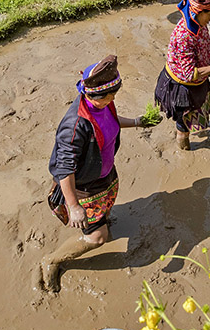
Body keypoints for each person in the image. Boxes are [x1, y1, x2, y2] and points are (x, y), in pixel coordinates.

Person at [39, 55, 143, 292]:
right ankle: (52, 260)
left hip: (104, 176)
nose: (112, 99)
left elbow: (111, 120)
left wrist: (137, 122)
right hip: (83, 188)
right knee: (97, 238)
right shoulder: (74, 125)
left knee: (105, 214)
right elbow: (64, 168)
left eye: (114, 94)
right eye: (108, 96)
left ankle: (100, 221)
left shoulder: (103, 104)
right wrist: (74, 206)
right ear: (92, 95)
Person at [154, 0, 210, 150]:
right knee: (183, 129)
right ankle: (184, 149)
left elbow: (205, 49)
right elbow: (190, 74)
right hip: (182, 87)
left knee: (195, 118)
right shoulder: (184, 36)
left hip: (198, 81)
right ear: (197, 11)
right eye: (209, 13)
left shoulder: (200, 25)